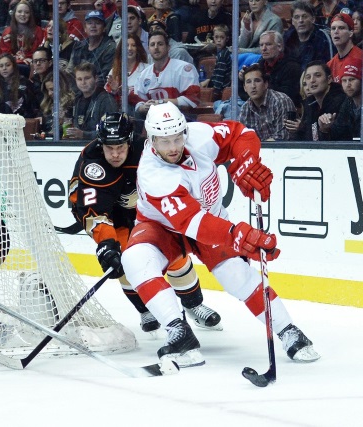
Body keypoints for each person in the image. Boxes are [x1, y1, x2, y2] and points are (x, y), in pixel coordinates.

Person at [118, 102, 320, 367]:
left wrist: (247, 160)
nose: (173, 147)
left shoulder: (198, 135)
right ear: (151, 139)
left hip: (211, 218)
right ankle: (179, 331)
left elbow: (241, 133)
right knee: (134, 260)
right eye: (165, 141)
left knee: (236, 274)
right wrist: (237, 235)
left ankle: (289, 331)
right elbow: (191, 221)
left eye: (178, 137)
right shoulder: (153, 173)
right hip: (163, 229)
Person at [69, 112, 223, 333]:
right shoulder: (92, 165)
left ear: (130, 140)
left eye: (120, 147)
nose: (114, 154)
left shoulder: (147, 151)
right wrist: (106, 243)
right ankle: (145, 310)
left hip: (148, 212)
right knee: (124, 262)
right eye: (109, 147)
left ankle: (193, 304)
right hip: (113, 218)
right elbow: (93, 212)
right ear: (100, 143)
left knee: (176, 256)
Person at [129, 29, 200, 133]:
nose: (156, 47)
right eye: (152, 45)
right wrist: (143, 107)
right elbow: (138, 102)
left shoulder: (184, 68)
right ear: (148, 49)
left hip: (182, 121)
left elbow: (192, 100)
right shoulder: (144, 74)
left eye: (160, 44)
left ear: (168, 47)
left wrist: (162, 103)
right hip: (154, 123)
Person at [287, 61, 347, 141]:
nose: (312, 80)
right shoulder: (309, 104)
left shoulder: (342, 102)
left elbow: (344, 140)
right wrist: (299, 130)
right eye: (308, 77)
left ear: (329, 79)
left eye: (317, 75)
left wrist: (325, 130)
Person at [239, 64, 297, 141]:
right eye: (248, 82)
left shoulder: (280, 101)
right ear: (245, 88)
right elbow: (242, 139)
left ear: (265, 84)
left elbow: (282, 137)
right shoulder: (245, 108)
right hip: (259, 150)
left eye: (257, 81)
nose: (253, 86)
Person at [67, 62, 118, 140]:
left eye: (87, 78)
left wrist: (84, 135)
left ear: (96, 78)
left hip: (100, 148)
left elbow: (112, 130)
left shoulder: (106, 100)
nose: (83, 82)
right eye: (79, 79)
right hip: (78, 147)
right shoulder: (76, 100)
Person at [66, 10, 117, 86]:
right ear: (85, 28)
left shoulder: (111, 47)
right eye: (90, 23)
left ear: (104, 28)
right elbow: (69, 71)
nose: (93, 26)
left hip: (99, 90)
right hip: (76, 88)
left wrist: (84, 87)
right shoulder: (78, 45)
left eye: (97, 23)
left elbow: (104, 76)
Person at [283, 0, 335, 71]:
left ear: (313, 19)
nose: (300, 20)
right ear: (292, 21)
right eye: (297, 17)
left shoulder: (323, 38)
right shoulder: (287, 39)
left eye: (304, 16)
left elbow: (328, 68)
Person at [0, 0, 45, 76]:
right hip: (12, 64)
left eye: (26, 12)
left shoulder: (38, 31)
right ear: (14, 14)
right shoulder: (7, 31)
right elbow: (5, 53)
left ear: (30, 15)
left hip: (32, 64)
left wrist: (28, 59)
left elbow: (38, 51)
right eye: (19, 12)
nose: (23, 14)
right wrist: (20, 60)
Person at [318, 64, 362, 140]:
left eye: (352, 79)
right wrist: (325, 129)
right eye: (344, 81)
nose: (348, 84)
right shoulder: (347, 103)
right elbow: (337, 135)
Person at [105, 33, 149, 104]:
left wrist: (128, 94)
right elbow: (107, 100)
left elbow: (149, 97)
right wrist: (114, 91)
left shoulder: (147, 69)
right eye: (126, 45)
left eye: (133, 45)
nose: (130, 48)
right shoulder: (114, 70)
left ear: (138, 48)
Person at [0, 53, 38, 118]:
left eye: (8, 65)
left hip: (22, 121)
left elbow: (32, 107)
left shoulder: (25, 83)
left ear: (14, 66)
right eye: (1, 66)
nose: (4, 68)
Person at [327, 13, 363, 84]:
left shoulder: (360, 57)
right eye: (333, 28)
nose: (336, 31)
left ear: (351, 33)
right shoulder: (330, 65)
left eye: (341, 28)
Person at [199, 24, 231, 101]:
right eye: (216, 37)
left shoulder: (223, 55)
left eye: (222, 37)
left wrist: (214, 94)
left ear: (227, 39)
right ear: (213, 38)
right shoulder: (220, 53)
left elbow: (219, 78)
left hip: (221, 89)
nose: (219, 40)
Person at [39, 70, 75, 136]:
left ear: (62, 87)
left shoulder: (73, 105)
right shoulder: (46, 106)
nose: (49, 93)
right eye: (47, 90)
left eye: (52, 89)